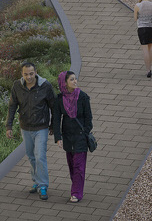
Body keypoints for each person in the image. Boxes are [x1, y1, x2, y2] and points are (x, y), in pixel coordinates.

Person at [5, 61, 55, 201]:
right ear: (22, 74)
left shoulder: (45, 86)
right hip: (25, 127)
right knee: (31, 156)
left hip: (41, 127)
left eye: (31, 73)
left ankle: (43, 185)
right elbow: (12, 106)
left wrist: (53, 126)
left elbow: (54, 107)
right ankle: (36, 181)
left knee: (40, 156)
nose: (29, 77)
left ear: (36, 72)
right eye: (26, 74)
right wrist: (8, 126)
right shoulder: (17, 86)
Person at [51, 70, 94, 204]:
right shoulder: (59, 99)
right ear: (64, 83)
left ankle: (76, 193)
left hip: (80, 137)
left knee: (79, 166)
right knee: (71, 165)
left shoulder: (83, 97)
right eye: (71, 79)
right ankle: (76, 186)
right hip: (68, 137)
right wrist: (58, 137)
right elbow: (56, 119)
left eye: (75, 79)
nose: (75, 81)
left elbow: (89, 118)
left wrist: (85, 132)